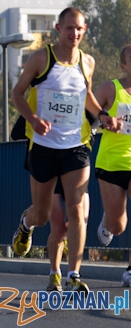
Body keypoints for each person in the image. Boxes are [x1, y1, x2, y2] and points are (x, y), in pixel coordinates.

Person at [10, 7, 122, 293]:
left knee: (76, 211)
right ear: (58, 29)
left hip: (76, 146)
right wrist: (34, 120)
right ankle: (26, 223)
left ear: (84, 31)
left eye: (79, 29)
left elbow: (86, 97)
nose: (74, 34)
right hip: (43, 147)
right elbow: (17, 93)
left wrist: (104, 117)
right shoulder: (41, 58)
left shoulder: (88, 62)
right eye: (69, 28)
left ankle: (73, 273)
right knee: (44, 216)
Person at [92, 42, 131, 287]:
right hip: (111, 162)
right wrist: (103, 119)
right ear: (123, 66)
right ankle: (109, 220)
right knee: (119, 225)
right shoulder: (111, 88)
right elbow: (87, 115)